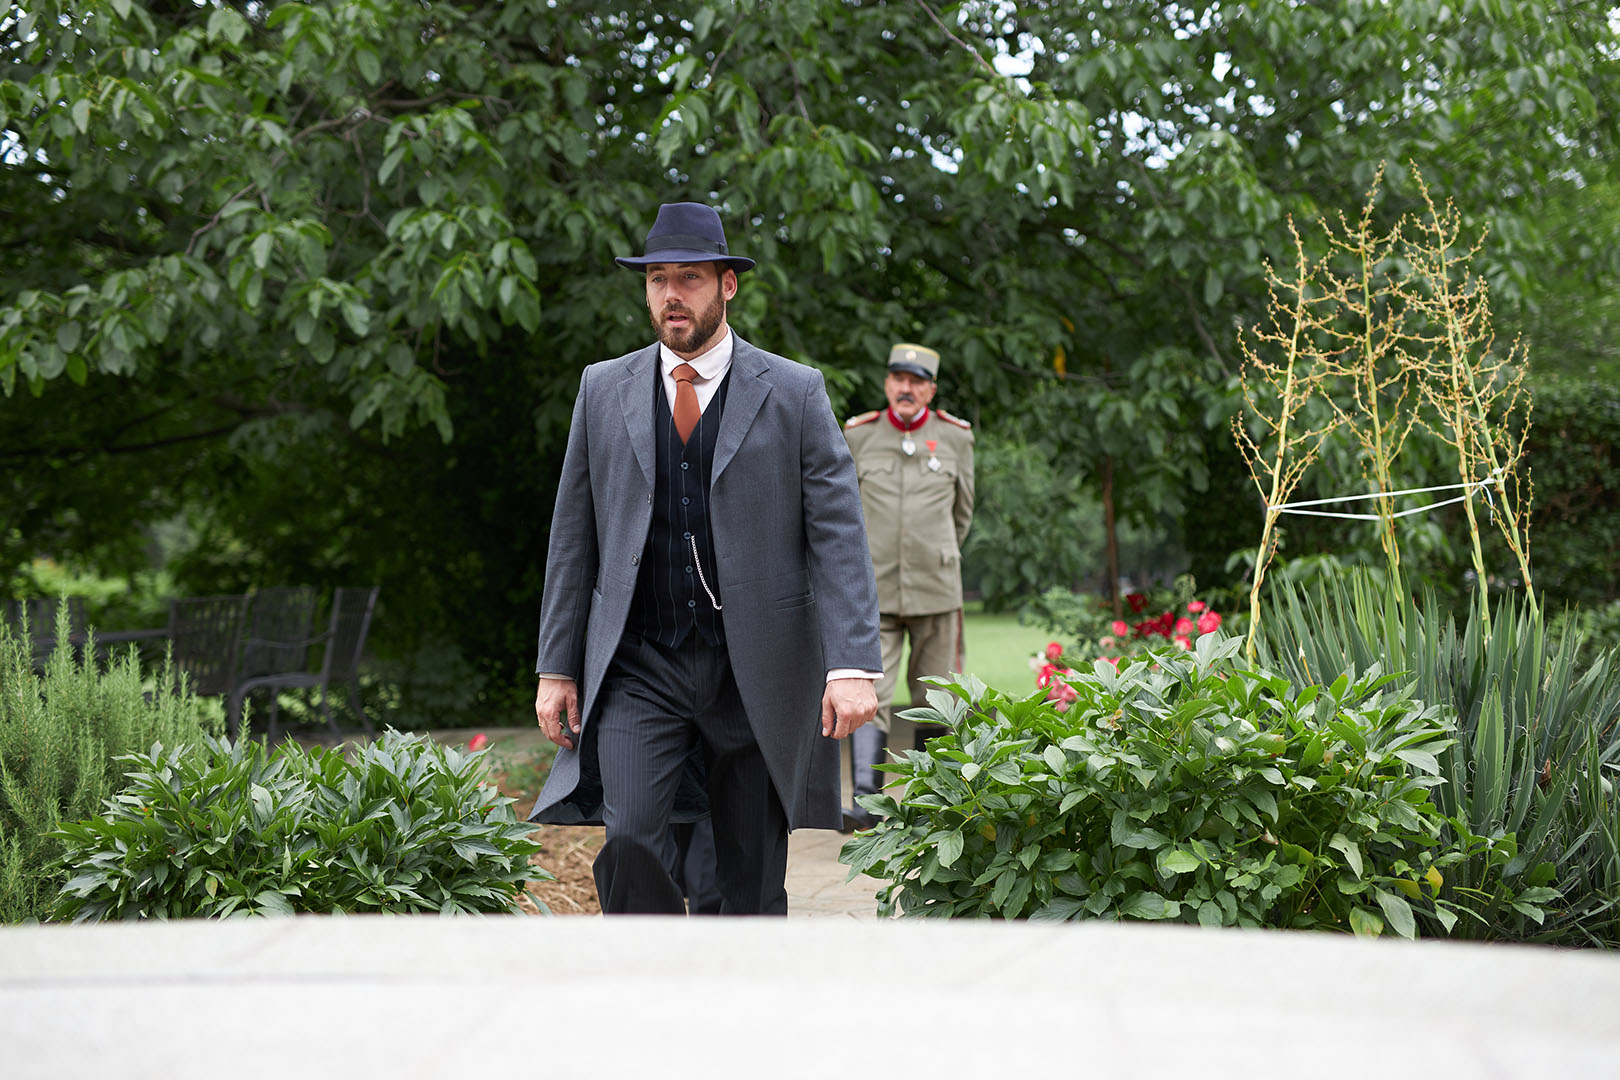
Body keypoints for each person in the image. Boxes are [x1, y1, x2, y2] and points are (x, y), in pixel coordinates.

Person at [529, 201, 882, 915]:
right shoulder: (603, 388)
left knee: (750, 878)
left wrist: (851, 665)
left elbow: (837, 533)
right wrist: (556, 666)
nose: (670, 295)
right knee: (628, 840)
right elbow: (574, 536)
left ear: (728, 285)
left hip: (755, 668)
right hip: (641, 661)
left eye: (688, 278)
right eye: (657, 279)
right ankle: (652, 983)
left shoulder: (792, 390)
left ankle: (742, 1011)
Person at [841, 343, 975, 831]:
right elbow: (843, 511)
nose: (906, 388)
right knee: (867, 692)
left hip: (937, 588)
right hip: (872, 590)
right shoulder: (859, 435)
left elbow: (963, 514)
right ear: (886, 384)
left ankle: (934, 798)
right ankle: (865, 802)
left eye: (917, 381)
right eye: (898, 377)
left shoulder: (956, 438)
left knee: (937, 694)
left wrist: (935, 555)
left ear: (931, 390)